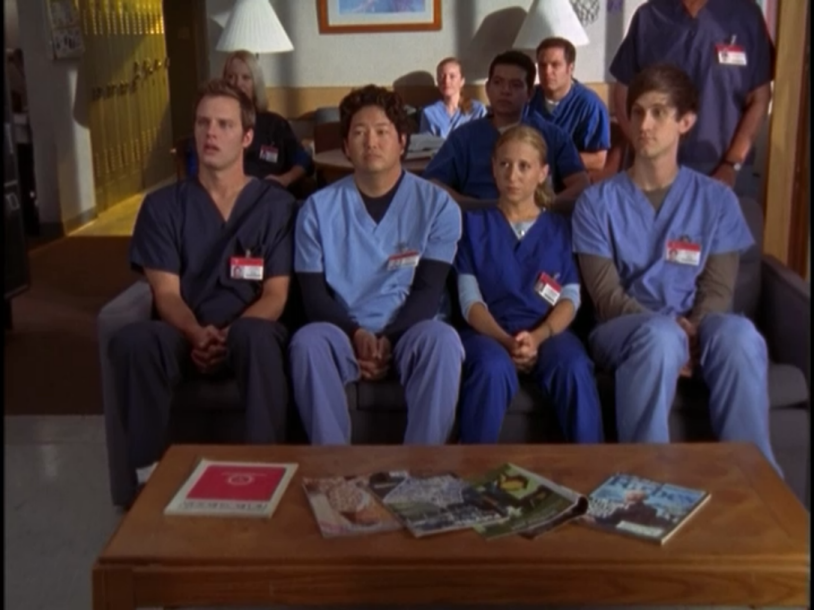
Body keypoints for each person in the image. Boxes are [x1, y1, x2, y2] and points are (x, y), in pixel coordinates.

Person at [571, 64, 780, 473]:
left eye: (658, 113)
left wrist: (694, 331)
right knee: (659, 336)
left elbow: (718, 289)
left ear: (686, 121)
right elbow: (607, 297)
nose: (644, 124)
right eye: (637, 113)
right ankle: (645, 480)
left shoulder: (717, 201)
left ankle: (756, 479)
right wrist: (670, 331)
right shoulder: (596, 203)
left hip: (700, 327)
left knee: (739, 334)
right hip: (624, 329)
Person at [108, 80, 296, 491]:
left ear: (247, 137)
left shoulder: (276, 207)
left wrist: (228, 335)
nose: (211, 133)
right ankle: (148, 482)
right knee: (135, 341)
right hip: (184, 333)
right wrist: (196, 333)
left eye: (224, 125)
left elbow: (276, 295)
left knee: (254, 336)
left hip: (249, 333)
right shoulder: (162, 207)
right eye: (202, 123)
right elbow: (166, 294)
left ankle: (266, 475)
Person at [289, 84, 464, 445]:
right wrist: (357, 335)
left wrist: (389, 339)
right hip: (342, 330)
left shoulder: (437, 206)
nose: (371, 142)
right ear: (345, 146)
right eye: (359, 133)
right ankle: (334, 467)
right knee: (307, 342)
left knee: (443, 341)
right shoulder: (317, 210)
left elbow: (428, 290)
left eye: (382, 131)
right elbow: (314, 297)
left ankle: (423, 469)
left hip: (412, 328)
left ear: (403, 141)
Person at [455, 125, 603, 444]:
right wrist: (506, 341)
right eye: (505, 164)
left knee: (573, 366)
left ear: (542, 173)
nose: (513, 175)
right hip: (489, 334)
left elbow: (570, 297)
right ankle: (471, 470)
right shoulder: (473, 226)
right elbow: (469, 301)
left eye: (524, 166)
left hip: (549, 333)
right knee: (491, 368)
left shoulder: (560, 228)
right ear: (493, 169)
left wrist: (537, 337)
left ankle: (592, 468)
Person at [609, 0, 774, 192]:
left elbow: (760, 99)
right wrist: (643, 148)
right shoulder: (649, 16)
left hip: (724, 175)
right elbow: (623, 92)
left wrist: (731, 164)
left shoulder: (746, 16)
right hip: (654, 173)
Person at [423, 50, 589, 211]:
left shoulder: (552, 135)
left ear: (529, 93)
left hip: (537, 219)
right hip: (478, 218)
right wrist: (467, 205)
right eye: (498, 82)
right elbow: (432, 182)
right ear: (488, 88)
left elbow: (581, 183)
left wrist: (545, 208)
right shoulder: (464, 137)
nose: (505, 91)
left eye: (515, 85)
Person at [222, 50, 313, 192]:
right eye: (231, 77)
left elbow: (303, 160)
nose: (238, 84)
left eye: (246, 77)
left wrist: (285, 179)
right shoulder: (215, 125)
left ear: (256, 84)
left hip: (270, 195)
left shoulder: (275, 124)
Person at [527, 37, 611, 173]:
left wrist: (551, 162)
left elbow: (598, 160)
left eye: (555, 65)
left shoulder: (589, 105)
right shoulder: (528, 98)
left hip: (569, 177)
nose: (547, 72)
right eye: (542, 65)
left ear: (570, 68)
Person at [418, 57, 487, 138]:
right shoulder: (429, 112)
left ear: (462, 81)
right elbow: (425, 143)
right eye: (441, 76)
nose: (446, 81)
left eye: (452, 76)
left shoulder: (477, 110)